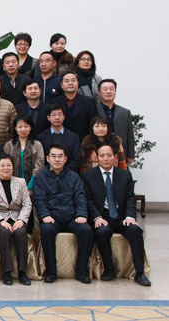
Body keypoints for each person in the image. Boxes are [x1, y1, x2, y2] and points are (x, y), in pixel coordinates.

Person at [82, 143, 151, 286]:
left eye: (109, 155)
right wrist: (97, 217)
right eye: (102, 156)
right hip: (103, 216)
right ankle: (109, 269)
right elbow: (88, 200)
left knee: (135, 230)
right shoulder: (88, 176)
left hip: (121, 216)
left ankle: (140, 273)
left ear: (115, 157)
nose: (106, 158)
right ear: (97, 158)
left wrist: (130, 216)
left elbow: (130, 198)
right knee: (102, 232)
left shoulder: (125, 175)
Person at [34, 144, 93, 284]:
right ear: (48, 158)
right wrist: (45, 215)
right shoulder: (40, 177)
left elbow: (80, 197)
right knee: (47, 230)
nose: (57, 159)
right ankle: (51, 272)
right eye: (53, 156)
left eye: (60, 156)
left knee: (86, 230)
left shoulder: (74, 176)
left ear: (65, 159)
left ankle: (82, 271)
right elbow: (39, 199)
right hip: (52, 217)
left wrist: (81, 214)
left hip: (72, 217)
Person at [0, 154, 31, 285]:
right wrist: (1, 221)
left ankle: (22, 272)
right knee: (4, 232)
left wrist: (21, 220)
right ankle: (6, 272)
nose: (6, 168)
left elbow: (27, 204)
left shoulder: (20, 182)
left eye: (8, 165)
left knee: (21, 232)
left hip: (16, 217)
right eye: (2, 166)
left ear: (13, 168)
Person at [96, 79, 135, 164]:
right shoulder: (93, 109)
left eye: (111, 89)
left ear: (115, 91)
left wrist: (131, 155)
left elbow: (129, 134)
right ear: (99, 92)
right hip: (99, 152)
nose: (108, 91)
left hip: (120, 151)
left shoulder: (125, 112)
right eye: (105, 89)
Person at [52, 71, 97, 141]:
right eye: (66, 81)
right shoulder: (54, 102)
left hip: (83, 141)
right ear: (61, 85)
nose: (70, 83)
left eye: (73, 80)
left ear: (78, 83)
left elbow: (93, 124)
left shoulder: (89, 102)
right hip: (59, 141)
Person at [36, 103, 81, 172]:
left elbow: (76, 160)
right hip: (47, 174)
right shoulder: (41, 137)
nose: (57, 117)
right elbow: (41, 159)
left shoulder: (73, 137)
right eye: (53, 115)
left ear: (64, 117)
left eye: (59, 114)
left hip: (68, 174)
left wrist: (64, 173)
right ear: (48, 118)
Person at [3, 115, 45, 189]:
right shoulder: (9, 145)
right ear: (15, 128)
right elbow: (6, 166)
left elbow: (39, 165)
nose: (23, 129)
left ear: (30, 128)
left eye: (26, 126)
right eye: (20, 127)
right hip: (13, 185)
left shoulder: (37, 145)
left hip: (34, 184)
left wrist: (31, 185)